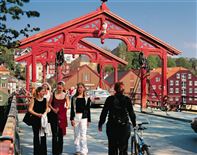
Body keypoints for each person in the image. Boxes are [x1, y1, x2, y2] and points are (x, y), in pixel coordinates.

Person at [98, 82, 136, 155]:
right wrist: (134, 124)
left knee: (112, 148)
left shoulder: (110, 99)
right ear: (123, 90)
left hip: (112, 126)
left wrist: (100, 123)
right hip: (124, 127)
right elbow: (131, 113)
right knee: (123, 149)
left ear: (115, 89)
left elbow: (104, 112)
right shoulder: (127, 99)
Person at [49, 81, 70, 155]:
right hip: (53, 115)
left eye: (60, 88)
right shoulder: (53, 94)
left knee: (60, 134)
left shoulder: (66, 95)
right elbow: (49, 103)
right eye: (58, 87)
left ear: (63, 88)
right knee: (54, 134)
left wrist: (64, 108)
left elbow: (68, 105)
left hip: (62, 115)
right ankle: (54, 152)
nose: (59, 89)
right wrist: (53, 109)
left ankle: (60, 151)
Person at [70, 83, 91, 155]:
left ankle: (84, 150)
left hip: (84, 118)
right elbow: (72, 109)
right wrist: (71, 119)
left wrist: (89, 120)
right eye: (78, 87)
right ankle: (77, 149)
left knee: (83, 134)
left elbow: (88, 110)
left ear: (84, 88)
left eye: (81, 87)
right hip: (76, 116)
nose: (80, 89)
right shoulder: (74, 98)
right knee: (76, 134)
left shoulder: (87, 98)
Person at [28, 86, 48, 155]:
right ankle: (36, 152)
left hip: (43, 119)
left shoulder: (45, 99)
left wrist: (45, 113)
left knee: (43, 135)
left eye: (44, 91)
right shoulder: (34, 100)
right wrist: (37, 114)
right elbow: (30, 110)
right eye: (42, 91)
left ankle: (43, 152)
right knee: (36, 135)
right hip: (35, 119)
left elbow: (47, 108)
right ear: (39, 92)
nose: (44, 93)